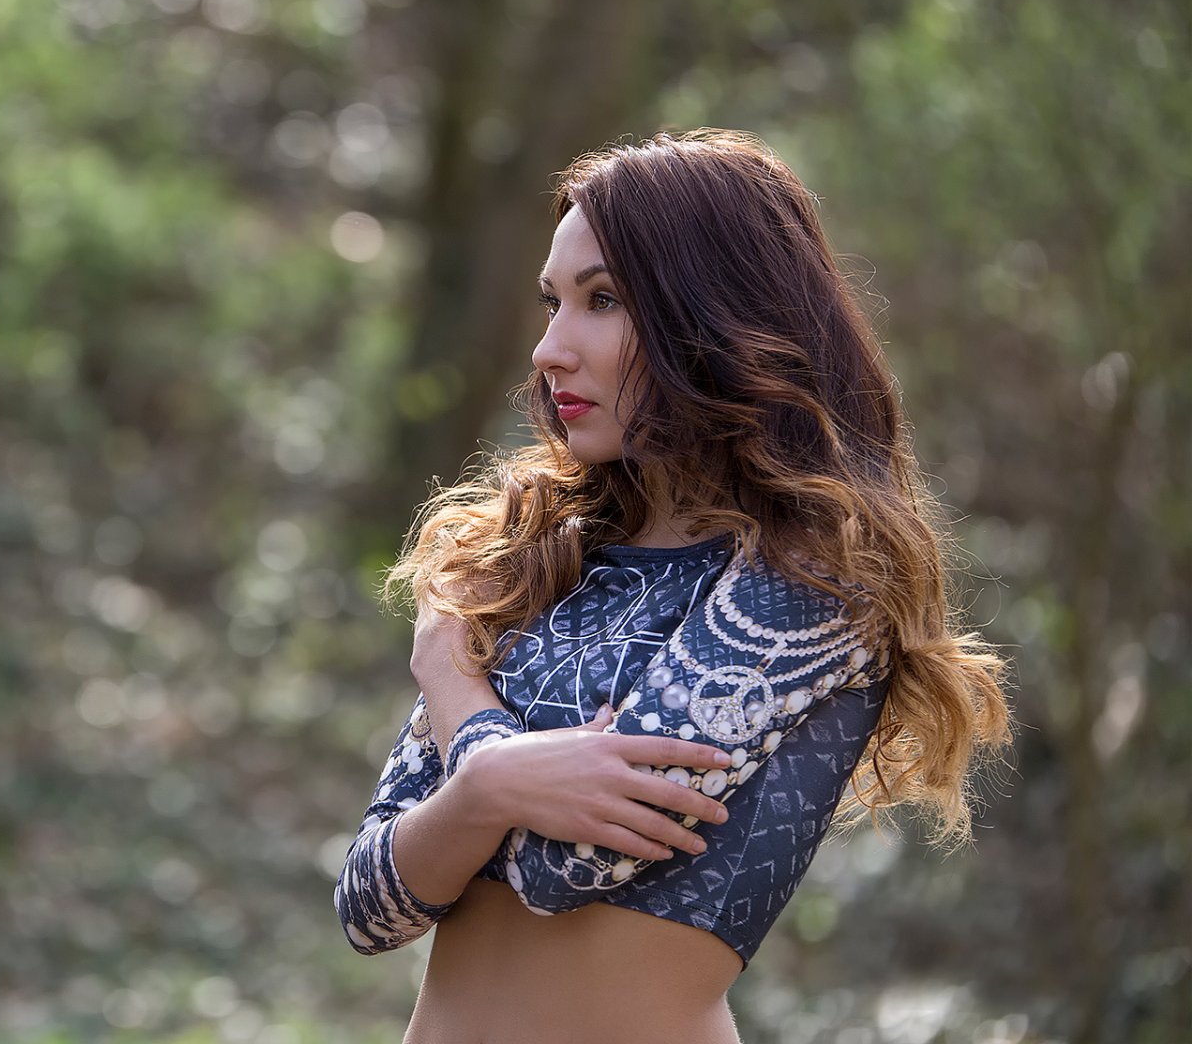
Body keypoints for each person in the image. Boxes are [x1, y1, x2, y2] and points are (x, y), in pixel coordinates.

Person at [335, 131, 1010, 1041]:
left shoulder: (816, 579)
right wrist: (501, 783)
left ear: (716, 314)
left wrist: (460, 705)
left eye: (603, 300)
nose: (548, 349)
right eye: (552, 303)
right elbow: (372, 900)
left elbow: (562, 867)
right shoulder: (537, 559)